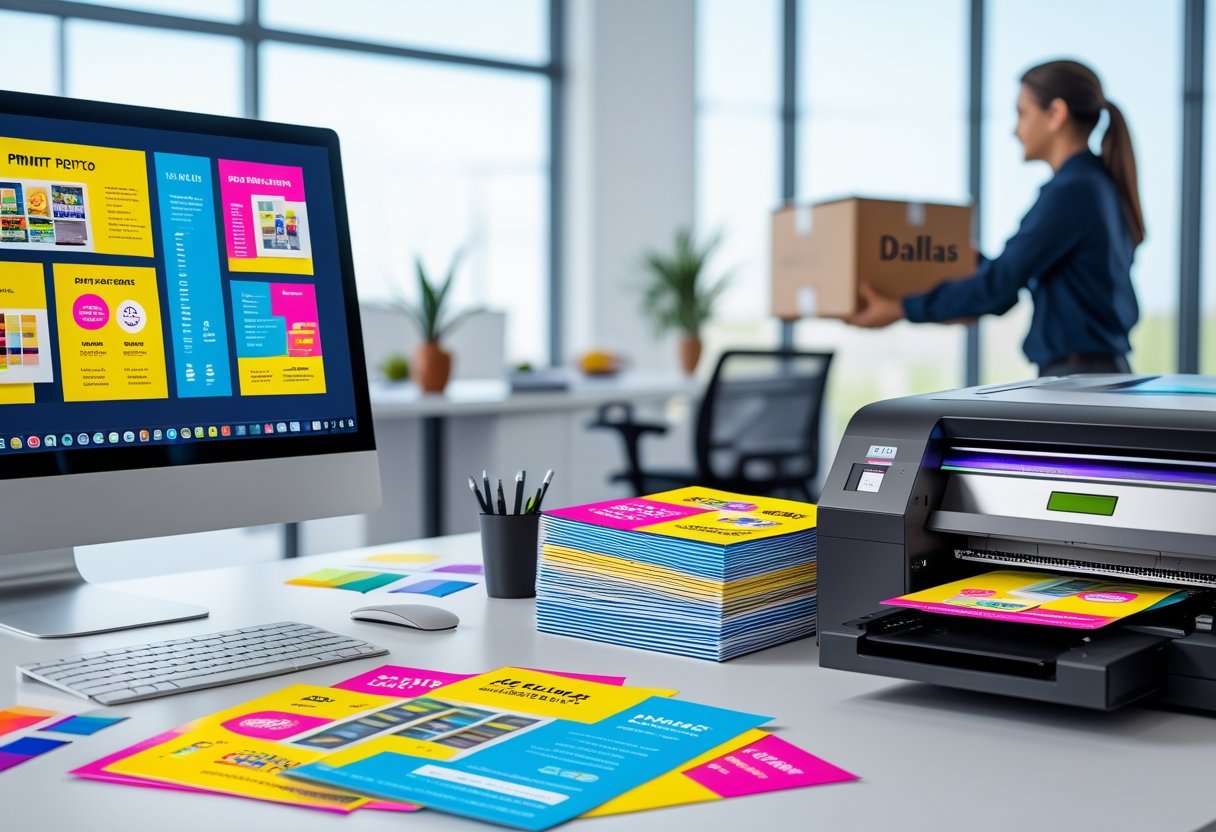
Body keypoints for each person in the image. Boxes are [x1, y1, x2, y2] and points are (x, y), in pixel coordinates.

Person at [846, 59, 1143, 377]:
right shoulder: (1097, 184)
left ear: (1056, 114)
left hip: (1079, 382)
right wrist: (969, 264)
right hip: (1094, 374)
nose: (1015, 130)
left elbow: (998, 287)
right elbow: (1007, 288)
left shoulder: (1072, 191)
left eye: (1022, 113)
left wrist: (900, 308)